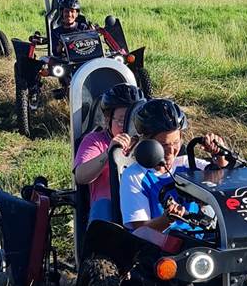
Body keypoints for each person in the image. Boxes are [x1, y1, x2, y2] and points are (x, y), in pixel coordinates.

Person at [119, 98, 229, 235]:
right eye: (164, 145)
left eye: (176, 142)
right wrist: (167, 220)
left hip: (201, 243)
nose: (171, 151)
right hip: (162, 248)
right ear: (147, 143)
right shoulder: (134, 176)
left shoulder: (186, 163)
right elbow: (140, 230)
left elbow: (226, 182)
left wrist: (220, 155)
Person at [73, 83, 143, 222]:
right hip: (109, 211)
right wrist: (109, 153)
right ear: (107, 120)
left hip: (139, 206)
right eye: (123, 121)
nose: (128, 126)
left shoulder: (147, 142)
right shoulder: (96, 140)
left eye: (133, 120)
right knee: (103, 207)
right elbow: (80, 176)